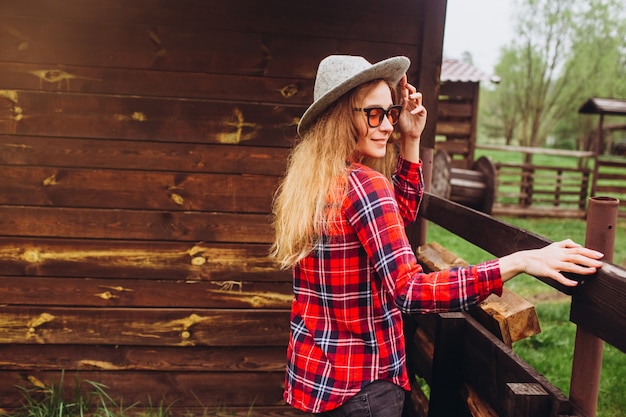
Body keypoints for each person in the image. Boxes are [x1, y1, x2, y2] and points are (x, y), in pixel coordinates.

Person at [270, 55, 604, 416]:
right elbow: (410, 290)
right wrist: (518, 261)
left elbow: (389, 225)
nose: (387, 126)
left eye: (390, 113)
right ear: (340, 116)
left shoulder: (309, 184)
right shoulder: (365, 185)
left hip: (317, 379)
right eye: (373, 114)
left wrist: (411, 140)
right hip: (364, 385)